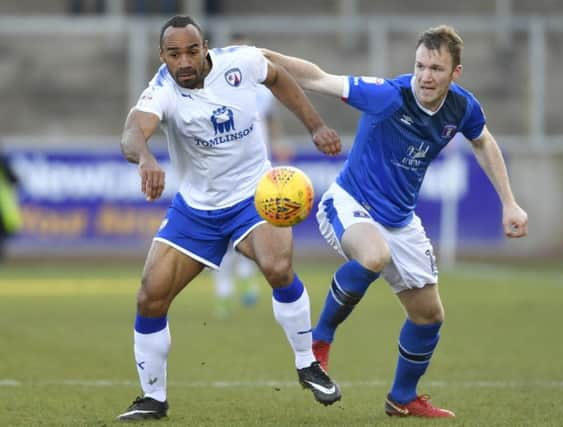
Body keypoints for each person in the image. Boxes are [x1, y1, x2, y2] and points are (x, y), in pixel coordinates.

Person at [263, 24, 528, 419]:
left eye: (436, 69)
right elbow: (318, 77)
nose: (425, 76)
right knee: (373, 255)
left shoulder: (463, 107)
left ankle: (402, 397)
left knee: (429, 315)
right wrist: (261, 56)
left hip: (401, 220)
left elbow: (483, 141)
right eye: (420, 65)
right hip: (351, 202)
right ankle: (319, 340)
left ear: (455, 73)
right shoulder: (388, 95)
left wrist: (509, 202)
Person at [116, 15, 342, 421]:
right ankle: (153, 397)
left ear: (205, 48)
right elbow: (133, 131)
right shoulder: (162, 90)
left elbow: (280, 78)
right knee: (150, 296)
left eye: (191, 50)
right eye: (174, 54)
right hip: (196, 209)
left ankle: (308, 363)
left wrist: (316, 125)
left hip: (254, 197)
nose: (184, 61)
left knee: (277, 266)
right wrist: (146, 157)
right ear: (161, 55)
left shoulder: (242, 62)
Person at [212, 33, 294, 319]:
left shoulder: (262, 89)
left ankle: (247, 276)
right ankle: (223, 292)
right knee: (223, 235)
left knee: (256, 226)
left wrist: (279, 142)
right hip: (226, 172)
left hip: (259, 171)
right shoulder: (218, 88)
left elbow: (271, 120)